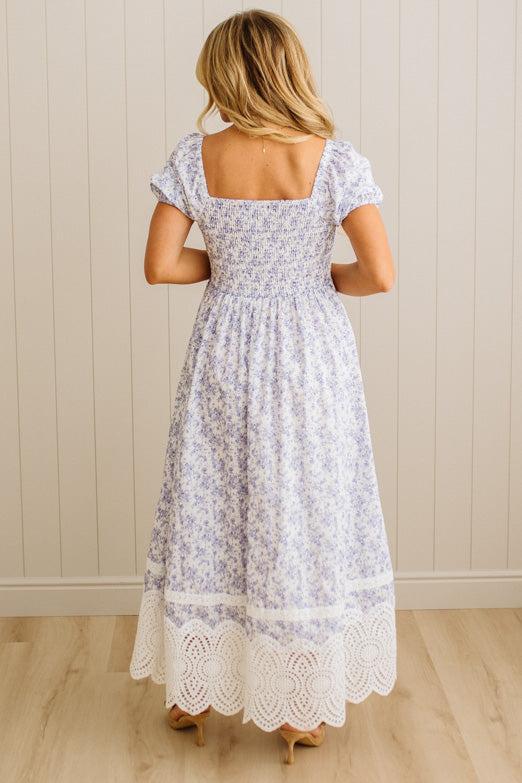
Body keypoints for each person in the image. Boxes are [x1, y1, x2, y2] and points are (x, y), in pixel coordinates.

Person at [129, 8, 397, 765]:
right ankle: (298, 707)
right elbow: (379, 274)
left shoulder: (196, 156)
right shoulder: (335, 161)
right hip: (311, 353)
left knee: (210, 500)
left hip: (225, 348)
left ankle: (193, 691)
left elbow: (160, 265)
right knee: (300, 507)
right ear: (289, 69)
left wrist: (233, 268)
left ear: (223, 74)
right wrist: (314, 276)